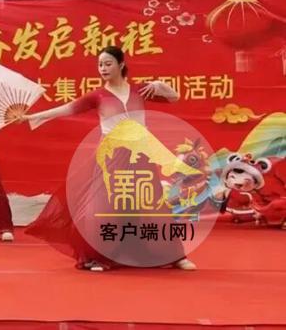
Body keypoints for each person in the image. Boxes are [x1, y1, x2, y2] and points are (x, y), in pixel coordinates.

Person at [21, 46, 195, 272]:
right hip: (112, 158)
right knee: (103, 206)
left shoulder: (140, 90)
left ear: (121, 65)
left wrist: (159, 85)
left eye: (108, 63)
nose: (103, 68)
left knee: (151, 204)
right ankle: (97, 256)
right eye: (100, 65)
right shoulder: (98, 96)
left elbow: (174, 97)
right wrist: (32, 117)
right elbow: (66, 109)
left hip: (140, 156)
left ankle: (173, 256)